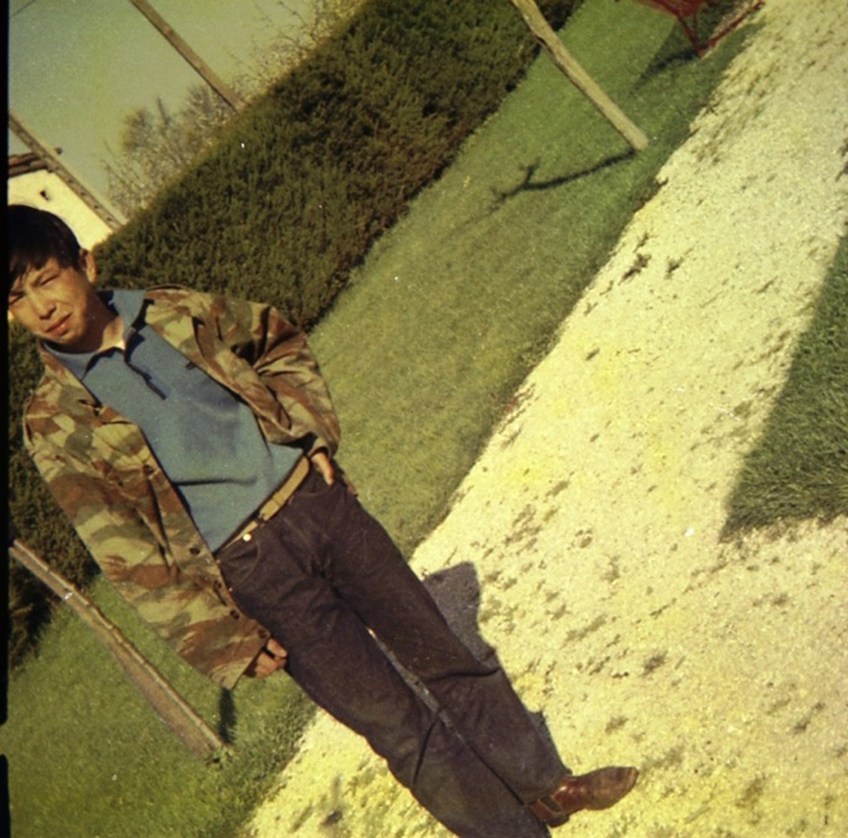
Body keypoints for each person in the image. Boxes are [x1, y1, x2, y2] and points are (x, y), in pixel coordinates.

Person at [8, 204, 638, 836]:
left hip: (318, 507)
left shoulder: (174, 311)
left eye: (47, 279)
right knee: (395, 723)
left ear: (85, 264)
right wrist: (223, 639)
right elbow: (126, 553)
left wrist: (308, 436)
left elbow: (276, 341)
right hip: (252, 572)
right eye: (16, 300)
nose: (42, 307)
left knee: (443, 653)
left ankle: (546, 787)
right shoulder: (53, 421)